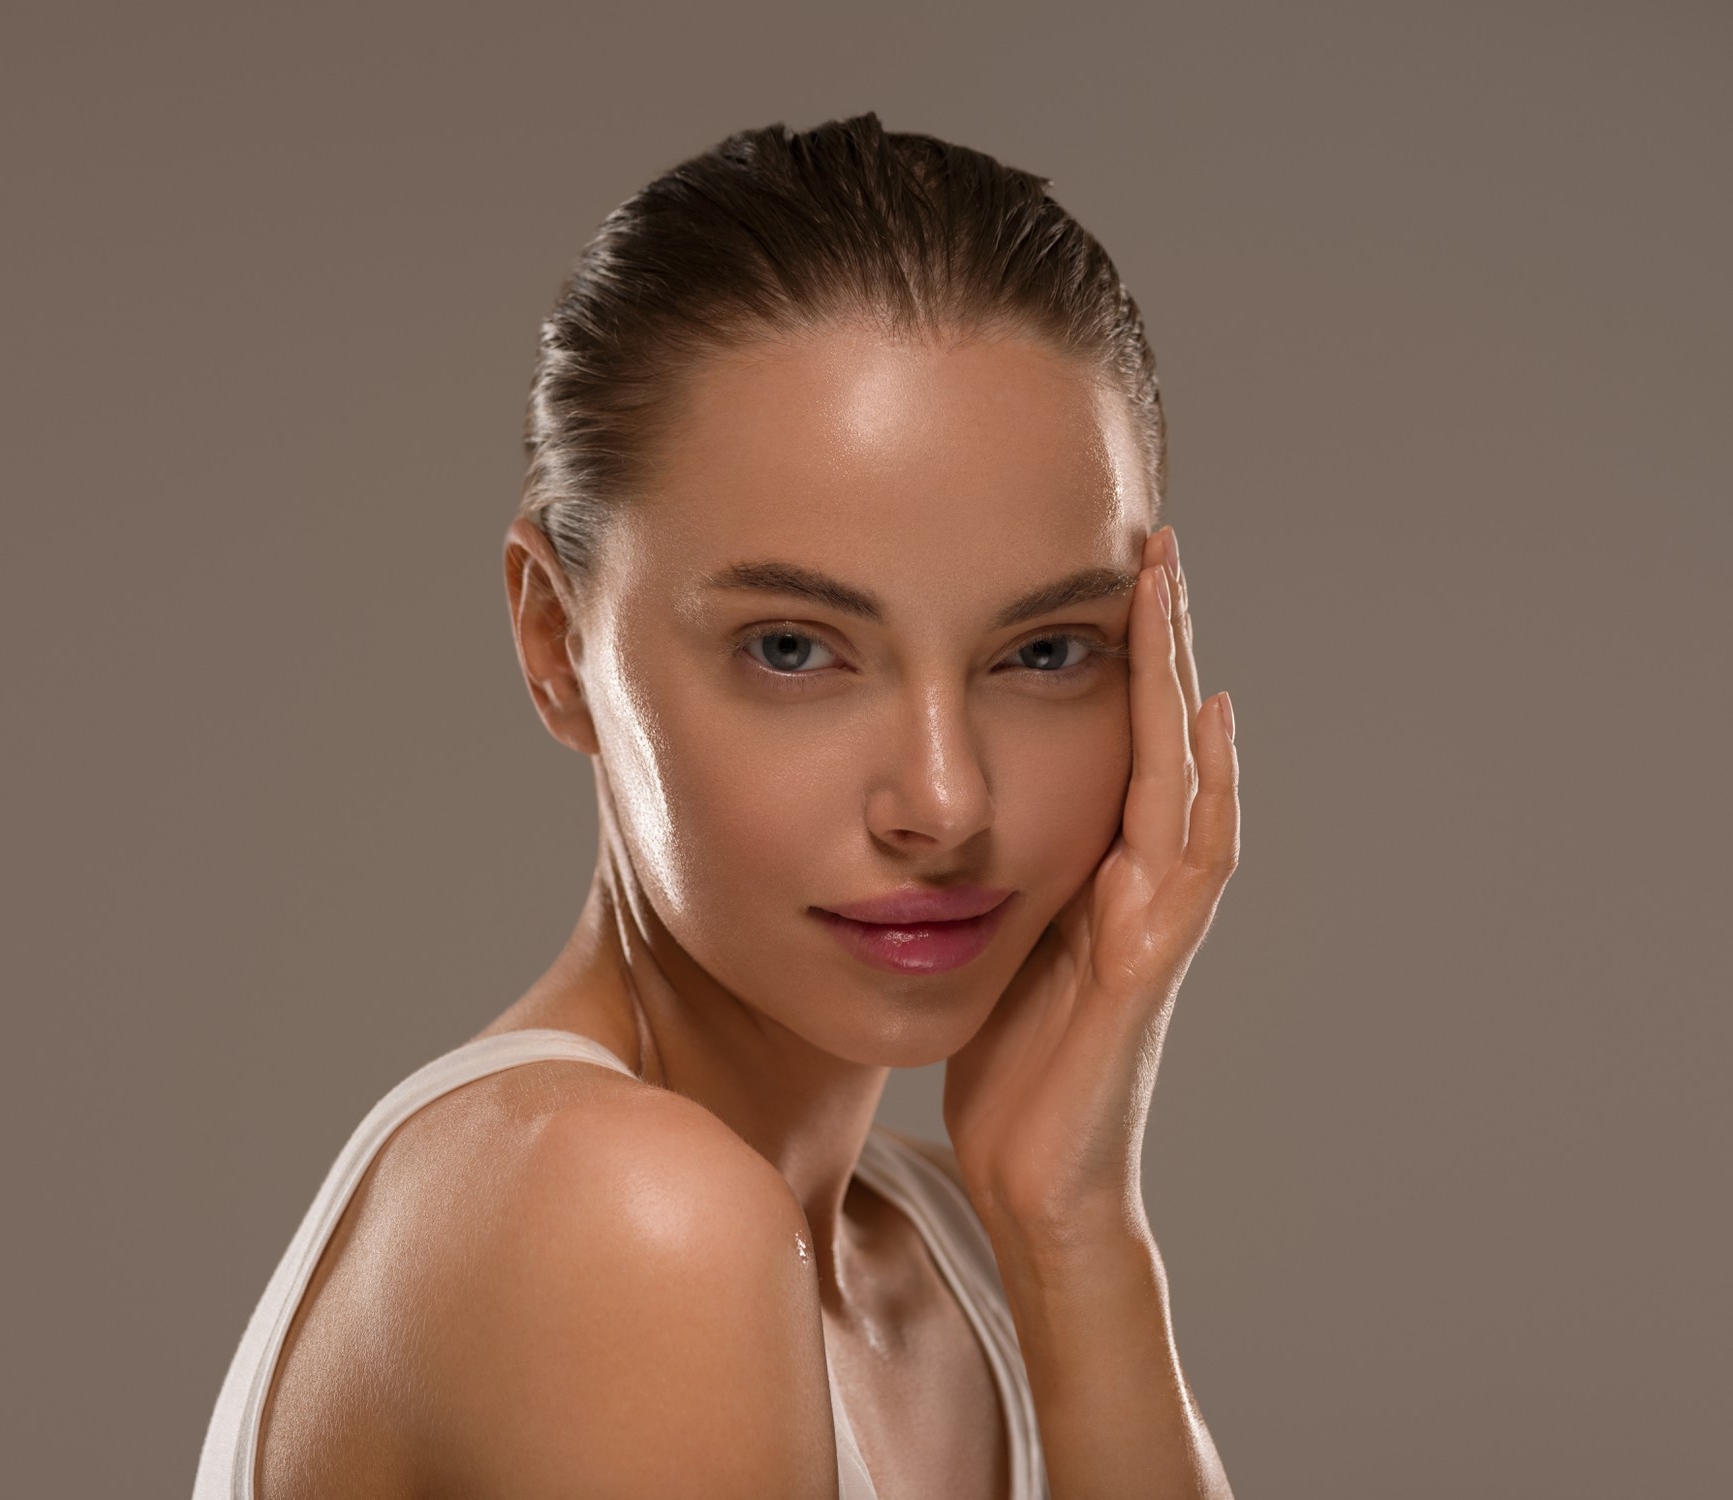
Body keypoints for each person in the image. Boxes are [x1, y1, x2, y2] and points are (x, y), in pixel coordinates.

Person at [195, 111, 1240, 1500]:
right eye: (795, 649)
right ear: (557, 640)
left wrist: (1075, 1235)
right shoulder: (617, 1214)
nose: (944, 800)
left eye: (1042, 653)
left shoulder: (957, 1250)